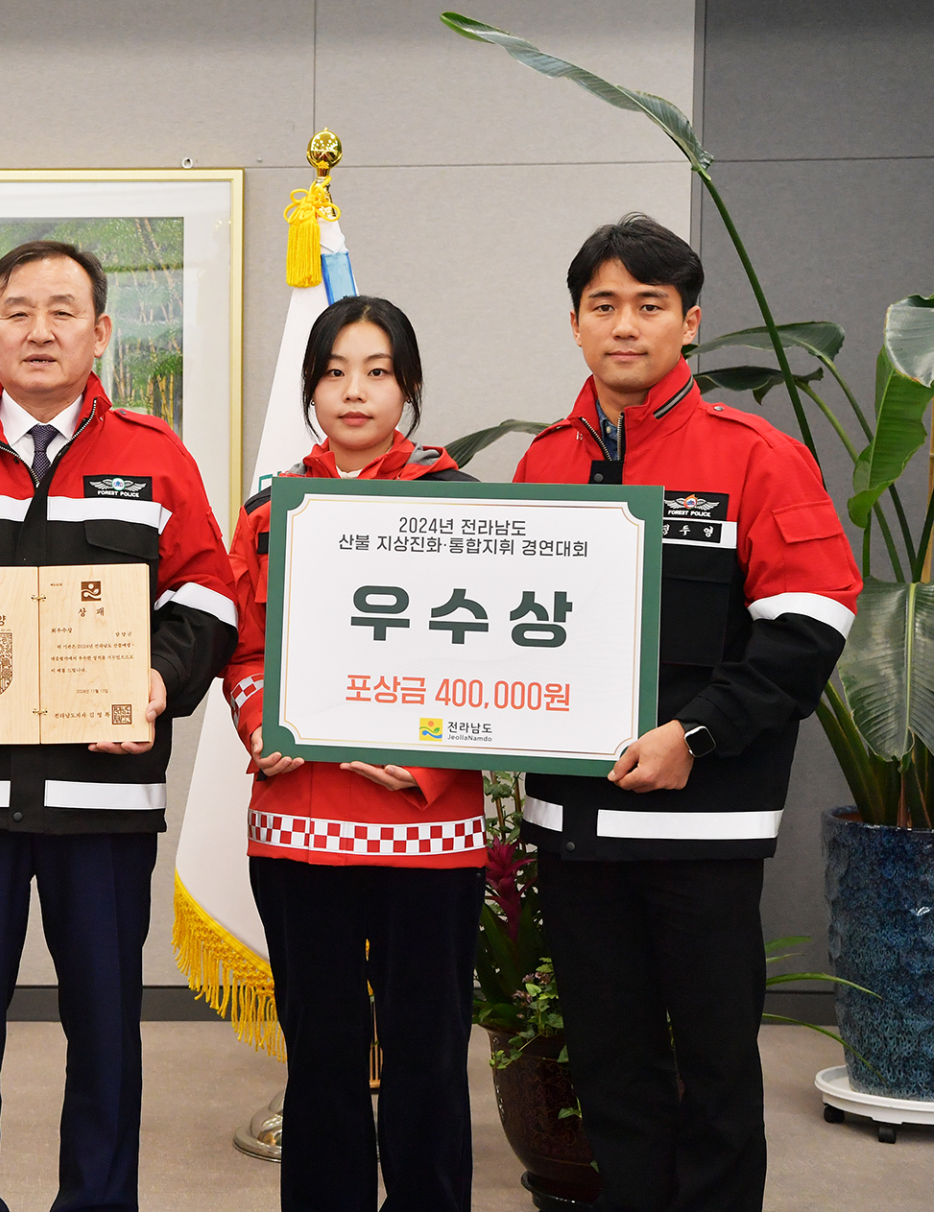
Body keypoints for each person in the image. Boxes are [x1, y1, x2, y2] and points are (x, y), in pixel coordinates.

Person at [0, 240, 239, 1212]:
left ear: (101, 333)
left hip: (104, 803)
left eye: (65, 310)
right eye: (20, 311)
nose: (41, 329)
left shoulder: (155, 457)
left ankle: (98, 1204)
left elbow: (214, 600)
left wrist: (155, 678)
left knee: (107, 1031)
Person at [513, 215, 860, 1212]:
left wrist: (693, 736)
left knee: (715, 1075)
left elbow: (809, 627)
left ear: (690, 324)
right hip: (574, 832)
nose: (626, 326)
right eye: (604, 306)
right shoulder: (542, 465)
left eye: (649, 307)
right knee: (611, 1072)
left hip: (703, 829)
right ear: (577, 326)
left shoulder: (759, 457)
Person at [224, 296, 486, 1212]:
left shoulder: (468, 509)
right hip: (301, 829)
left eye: (377, 371)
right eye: (334, 371)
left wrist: (429, 764)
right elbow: (246, 652)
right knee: (324, 1059)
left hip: (429, 831)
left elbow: (490, 663)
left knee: (427, 1056)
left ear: (407, 387)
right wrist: (265, 726)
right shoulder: (268, 513)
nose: (354, 391)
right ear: (310, 390)